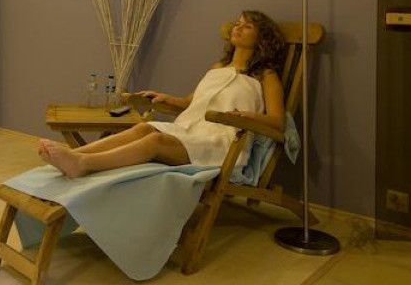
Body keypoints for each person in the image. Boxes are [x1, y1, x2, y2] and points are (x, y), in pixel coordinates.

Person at [39, 11, 287, 178]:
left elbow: (278, 122)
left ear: (261, 39)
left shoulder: (266, 76)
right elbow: (190, 103)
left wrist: (246, 116)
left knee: (155, 141)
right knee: (144, 129)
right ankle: (74, 155)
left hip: (220, 143)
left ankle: (83, 164)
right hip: (189, 131)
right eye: (238, 23)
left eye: (247, 26)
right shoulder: (218, 68)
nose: (238, 27)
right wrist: (165, 98)